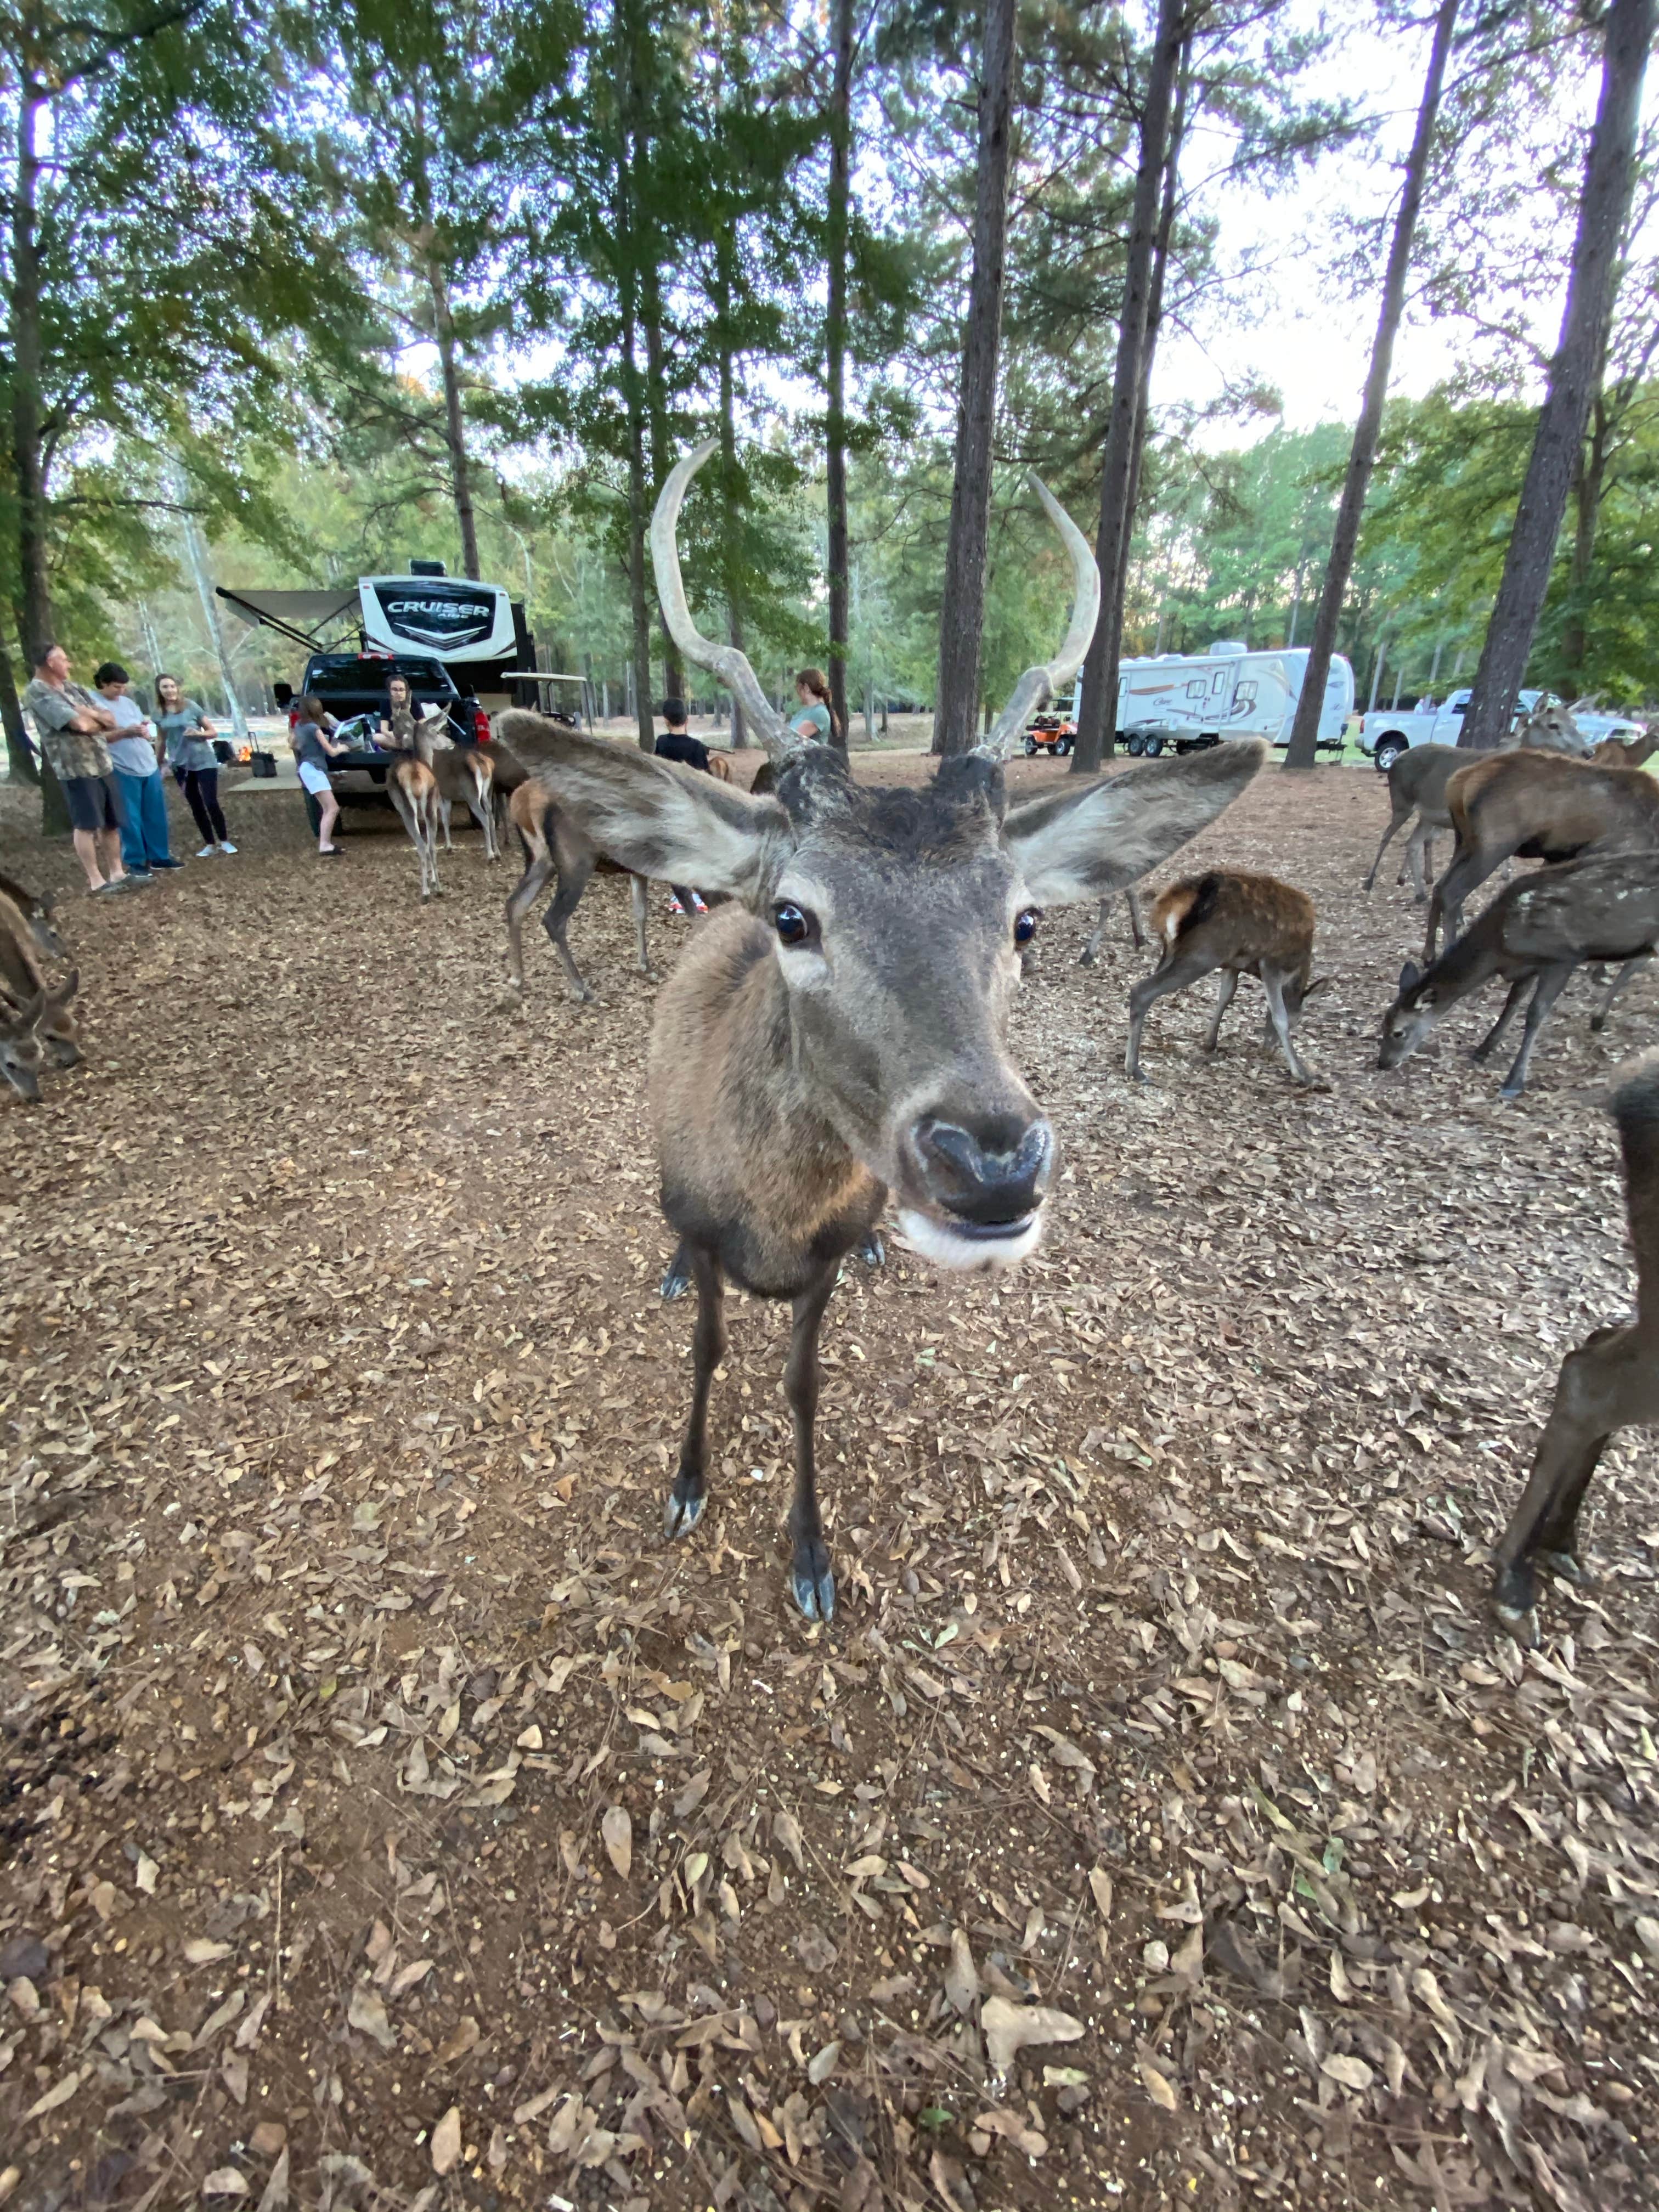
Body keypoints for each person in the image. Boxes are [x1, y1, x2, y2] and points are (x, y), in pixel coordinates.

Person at [21, 643, 135, 895]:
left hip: (102, 763)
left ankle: (117, 873)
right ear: (50, 663)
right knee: (86, 824)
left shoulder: (72, 688)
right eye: (64, 659)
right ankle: (96, 881)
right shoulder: (38, 693)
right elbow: (79, 725)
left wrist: (88, 713)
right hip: (75, 766)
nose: (69, 664)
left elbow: (110, 719)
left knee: (112, 821)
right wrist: (89, 717)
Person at [96, 662, 179, 878]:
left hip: (146, 762)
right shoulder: (93, 703)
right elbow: (96, 738)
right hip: (121, 766)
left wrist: (143, 732)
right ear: (103, 683)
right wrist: (125, 733)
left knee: (155, 813)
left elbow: (141, 724)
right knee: (129, 816)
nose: (121, 691)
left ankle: (160, 856)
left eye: (124, 687)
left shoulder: (128, 703)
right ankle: (136, 860)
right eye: (116, 687)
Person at [155, 674, 235, 856]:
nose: (170, 690)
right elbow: (161, 739)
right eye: (165, 687)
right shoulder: (159, 713)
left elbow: (212, 732)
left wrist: (199, 735)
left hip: (203, 760)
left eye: (172, 686)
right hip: (180, 764)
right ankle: (210, 844)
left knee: (210, 801)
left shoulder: (190, 706)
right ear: (159, 690)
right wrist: (158, 763)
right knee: (195, 803)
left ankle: (225, 841)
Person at [653, 697, 710, 915]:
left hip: (670, 809)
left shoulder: (661, 742)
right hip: (692, 810)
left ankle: (684, 897)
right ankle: (700, 895)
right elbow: (706, 781)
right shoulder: (696, 747)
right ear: (687, 720)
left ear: (666, 721)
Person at [292, 694, 349, 857]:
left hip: (306, 767)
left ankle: (326, 843)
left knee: (327, 808)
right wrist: (342, 749)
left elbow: (294, 744)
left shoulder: (299, 725)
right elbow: (331, 752)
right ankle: (324, 845)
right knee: (332, 808)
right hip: (314, 769)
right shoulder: (314, 728)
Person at [790, 667, 839, 746]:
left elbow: (792, 740)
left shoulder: (819, 713)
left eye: (799, 688)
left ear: (806, 688)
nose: (797, 693)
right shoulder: (803, 712)